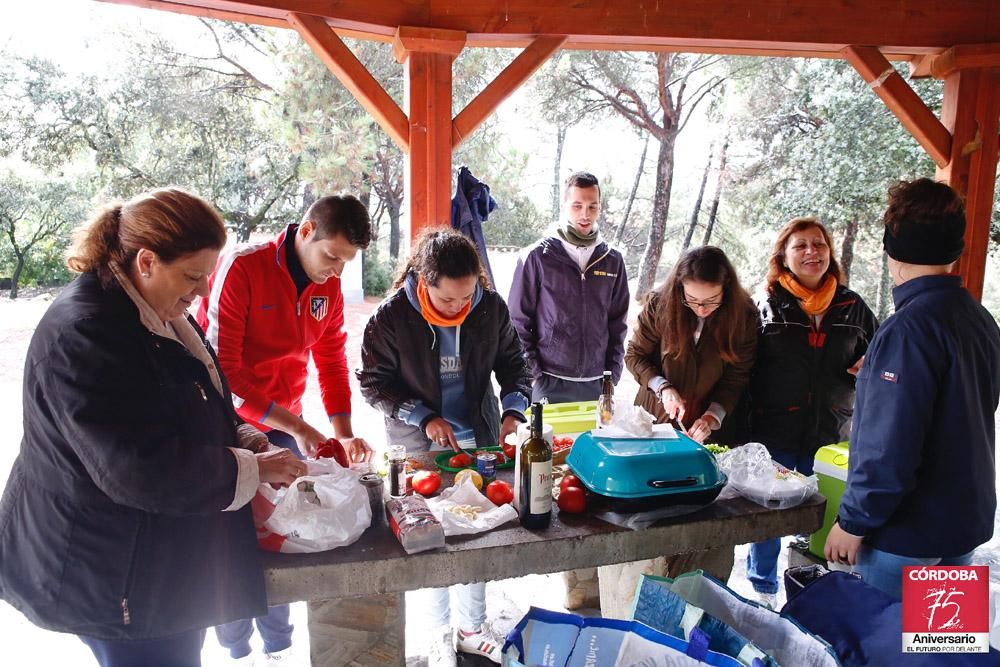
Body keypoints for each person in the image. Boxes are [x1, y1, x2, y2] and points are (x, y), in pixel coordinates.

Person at [0, 189, 307, 667]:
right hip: (108, 570)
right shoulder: (85, 334)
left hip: (150, 557)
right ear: (146, 261)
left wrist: (245, 437)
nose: (203, 290)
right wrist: (250, 468)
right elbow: (137, 468)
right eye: (192, 276)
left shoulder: (156, 312)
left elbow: (191, 396)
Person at [197, 194, 374, 664]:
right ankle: (236, 650)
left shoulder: (327, 287)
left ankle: (278, 646)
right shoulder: (243, 269)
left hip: (282, 421)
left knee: (282, 530)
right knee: (231, 540)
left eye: (347, 262)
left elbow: (332, 359)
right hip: (222, 423)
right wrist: (299, 427)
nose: (336, 271)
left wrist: (342, 430)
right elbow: (222, 374)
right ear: (306, 231)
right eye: (332, 256)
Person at [358, 228, 530, 666]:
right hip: (417, 445)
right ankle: (437, 633)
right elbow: (375, 385)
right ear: (423, 281)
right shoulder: (392, 318)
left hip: (479, 436)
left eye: (467, 296)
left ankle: (472, 627)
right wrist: (423, 416)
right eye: (449, 299)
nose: (459, 306)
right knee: (431, 536)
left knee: (479, 531)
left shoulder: (489, 308)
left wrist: (513, 409)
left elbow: (514, 364)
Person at [825, 178, 1000, 600]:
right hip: (962, 527)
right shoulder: (979, 320)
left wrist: (853, 522)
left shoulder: (906, 329)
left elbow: (890, 446)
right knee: (943, 652)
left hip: (904, 537)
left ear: (891, 248)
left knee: (884, 652)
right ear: (956, 249)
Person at [745, 217, 878, 607]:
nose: (811, 252)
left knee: (825, 513)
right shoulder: (765, 305)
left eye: (819, 244)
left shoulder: (853, 306)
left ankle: (817, 591)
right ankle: (763, 590)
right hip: (775, 432)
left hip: (832, 432)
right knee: (767, 517)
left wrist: (870, 362)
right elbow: (743, 367)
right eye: (800, 245)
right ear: (783, 256)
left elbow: (879, 352)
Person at [509, 171, 630, 404]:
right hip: (548, 380)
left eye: (592, 207)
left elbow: (618, 324)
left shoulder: (613, 260)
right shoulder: (537, 257)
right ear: (564, 205)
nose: (585, 214)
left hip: (597, 384)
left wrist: (612, 376)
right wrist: (533, 375)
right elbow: (517, 321)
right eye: (577, 205)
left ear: (599, 208)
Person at [626, 245, 758, 445]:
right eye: (692, 300)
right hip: (653, 421)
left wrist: (712, 416)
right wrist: (662, 387)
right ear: (680, 287)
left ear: (727, 288)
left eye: (711, 300)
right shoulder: (660, 304)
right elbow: (635, 356)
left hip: (708, 431)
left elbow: (737, 377)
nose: (701, 309)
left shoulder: (744, 315)